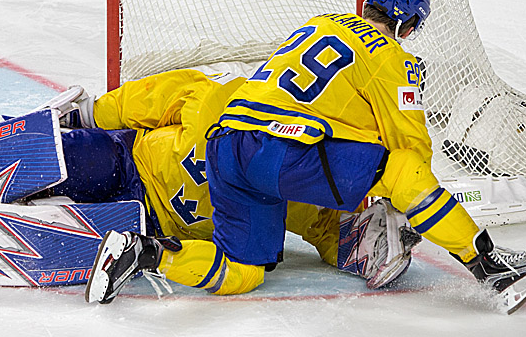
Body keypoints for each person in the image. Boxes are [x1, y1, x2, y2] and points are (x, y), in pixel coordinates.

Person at [85, 0, 526, 315]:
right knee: (402, 172)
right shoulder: (393, 56)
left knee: (244, 271)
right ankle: (490, 266)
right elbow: (412, 152)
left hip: (226, 146)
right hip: (279, 152)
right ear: (409, 24)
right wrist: (402, 202)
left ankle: (142, 252)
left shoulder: (317, 23)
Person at [35, 66, 417, 291]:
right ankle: (36, 152)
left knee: (80, 231)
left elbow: (328, 230)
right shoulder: (224, 94)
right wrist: (87, 115)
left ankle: (129, 247)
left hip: (151, 221)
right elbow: (150, 99)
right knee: (62, 159)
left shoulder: (296, 171)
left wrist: (377, 243)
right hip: (128, 158)